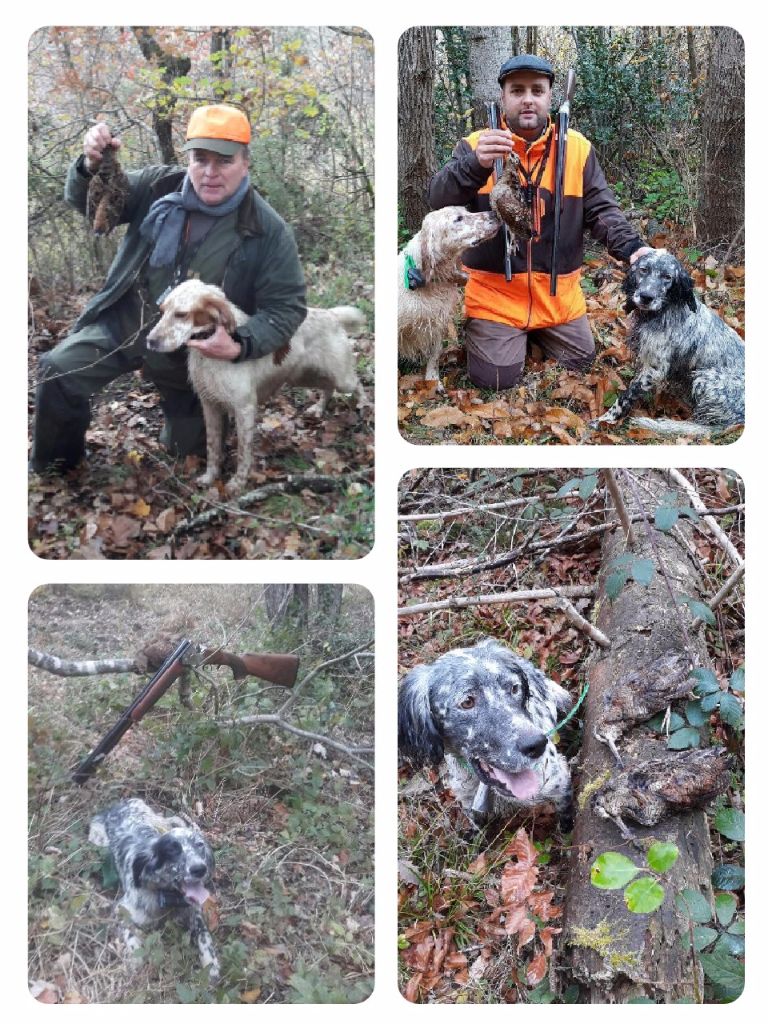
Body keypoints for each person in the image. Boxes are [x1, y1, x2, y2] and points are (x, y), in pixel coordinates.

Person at [31, 104, 307, 472]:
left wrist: (240, 343)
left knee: (188, 453)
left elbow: (286, 308)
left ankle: (181, 423)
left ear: (245, 162)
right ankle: (55, 468)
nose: (209, 173)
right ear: (187, 158)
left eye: (223, 161)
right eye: (200, 159)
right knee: (58, 371)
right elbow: (93, 203)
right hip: (127, 320)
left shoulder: (267, 230)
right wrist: (89, 166)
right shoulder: (159, 186)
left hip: (193, 356)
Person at [428, 55, 652, 390]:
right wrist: (475, 165)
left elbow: (602, 211)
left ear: (550, 96)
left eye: (537, 90)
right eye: (517, 91)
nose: (528, 98)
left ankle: (532, 334)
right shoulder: (476, 145)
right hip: (496, 297)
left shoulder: (577, 148)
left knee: (580, 363)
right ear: (503, 98)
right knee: (495, 378)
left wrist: (633, 249)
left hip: (558, 298)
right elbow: (438, 202)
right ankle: (504, 334)